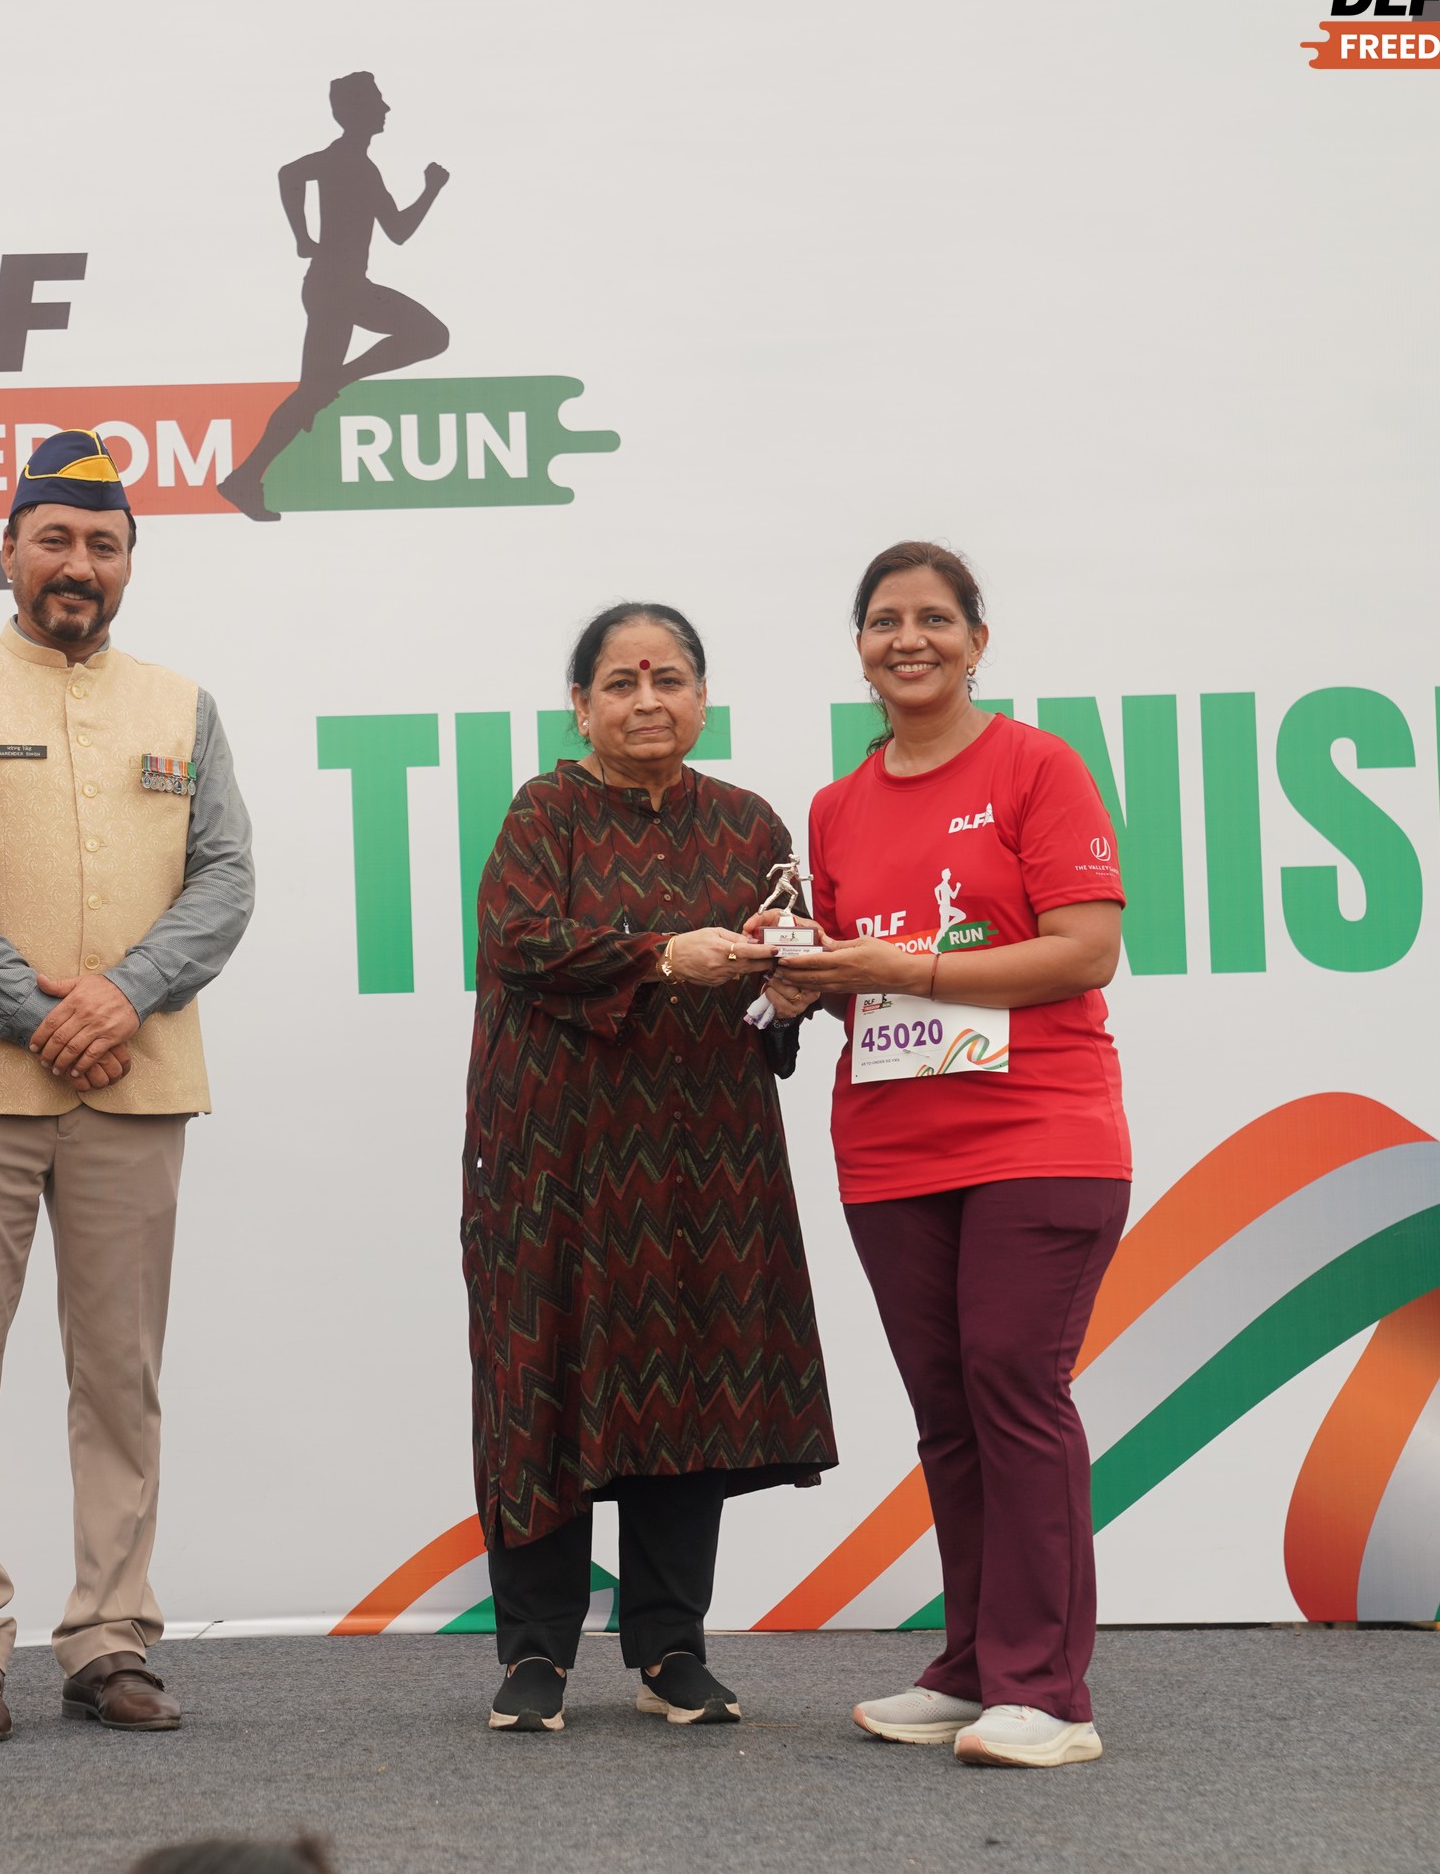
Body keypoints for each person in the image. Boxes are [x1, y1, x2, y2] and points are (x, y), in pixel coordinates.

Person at [0, 429, 255, 1741]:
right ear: (7, 551)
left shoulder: (181, 706)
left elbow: (225, 877)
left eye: (102, 543)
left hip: (136, 1081)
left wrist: (124, 992)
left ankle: (109, 1633)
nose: (77, 563)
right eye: (54, 538)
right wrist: (37, 1010)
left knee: (119, 1374)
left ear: (128, 563)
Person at [772, 542, 1129, 1770]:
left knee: (1012, 1383)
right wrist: (798, 971)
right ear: (858, 647)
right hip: (890, 1143)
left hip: (1040, 1128)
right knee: (948, 1408)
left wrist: (909, 964)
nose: (907, 638)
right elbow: (854, 982)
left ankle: (1048, 1692)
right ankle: (974, 1665)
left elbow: (1082, 949)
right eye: (884, 619)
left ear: (978, 639)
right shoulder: (836, 805)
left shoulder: (1036, 764)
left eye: (934, 617)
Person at [463, 603, 837, 1737]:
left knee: (689, 1387)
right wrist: (662, 955)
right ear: (580, 706)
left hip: (705, 1157)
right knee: (544, 1383)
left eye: (668, 679)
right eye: (620, 684)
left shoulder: (749, 823)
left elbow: (776, 995)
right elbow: (520, 942)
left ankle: (672, 1648)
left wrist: (788, 990)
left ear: (702, 697)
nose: (646, 701)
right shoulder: (547, 811)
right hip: (557, 1162)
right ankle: (534, 1652)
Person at [217, 71, 451, 521]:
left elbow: (396, 230)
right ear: (355, 110)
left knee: (424, 338)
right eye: (377, 101)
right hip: (334, 289)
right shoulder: (343, 159)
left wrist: (429, 191)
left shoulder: (360, 165)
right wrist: (302, 236)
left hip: (348, 288)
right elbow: (290, 174)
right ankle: (246, 476)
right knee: (318, 389)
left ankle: (247, 474)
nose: (385, 109)